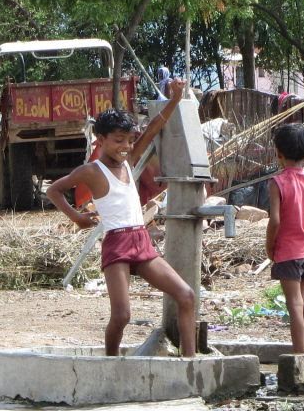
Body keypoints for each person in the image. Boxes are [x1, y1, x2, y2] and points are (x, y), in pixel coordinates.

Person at [46, 81, 198, 358]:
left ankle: (190, 364)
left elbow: (153, 129)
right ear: (100, 140)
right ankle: (112, 362)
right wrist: (77, 217)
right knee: (122, 315)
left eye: (128, 140)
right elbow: (53, 190)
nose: (126, 146)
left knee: (186, 295)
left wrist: (175, 99)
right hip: (117, 245)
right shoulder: (92, 170)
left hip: (141, 241)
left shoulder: (128, 160)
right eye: (118, 141)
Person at [266, 123, 304, 354]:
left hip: (287, 252)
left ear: (278, 153)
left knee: (294, 304)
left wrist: (270, 245)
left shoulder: (277, 182)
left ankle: (298, 356)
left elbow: (276, 220)